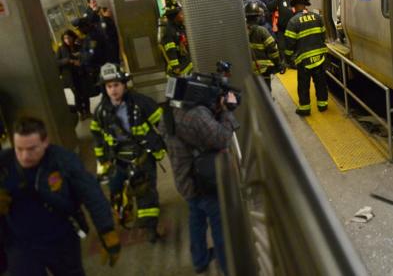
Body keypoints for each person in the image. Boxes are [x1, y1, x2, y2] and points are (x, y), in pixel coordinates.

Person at [0, 116, 120, 275]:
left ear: (45, 142)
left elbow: (92, 194)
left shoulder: (63, 160)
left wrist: (107, 231)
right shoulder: (4, 163)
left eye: (31, 149)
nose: (24, 156)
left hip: (61, 238)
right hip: (21, 242)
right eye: (19, 149)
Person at [159, 81, 239, 275]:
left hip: (184, 180)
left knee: (196, 219)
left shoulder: (168, 112)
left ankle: (200, 260)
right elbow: (222, 137)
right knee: (221, 228)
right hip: (204, 184)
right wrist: (227, 110)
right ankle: (228, 269)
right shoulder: (196, 115)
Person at [90, 63, 166, 243]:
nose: (113, 90)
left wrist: (163, 146)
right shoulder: (101, 111)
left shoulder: (141, 103)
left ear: (124, 85)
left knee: (145, 193)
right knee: (117, 194)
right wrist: (102, 161)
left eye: (116, 85)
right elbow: (97, 137)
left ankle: (150, 228)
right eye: (109, 86)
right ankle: (125, 216)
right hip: (116, 159)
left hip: (142, 155)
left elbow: (162, 123)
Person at [284, 0, 329, 115]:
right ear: (305, 5)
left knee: (304, 85)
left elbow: (289, 44)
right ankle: (322, 105)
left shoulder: (293, 22)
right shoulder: (317, 17)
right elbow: (323, 35)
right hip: (319, 57)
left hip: (304, 60)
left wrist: (287, 58)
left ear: (296, 6)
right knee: (320, 82)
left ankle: (305, 108)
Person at [244, 0, 283, 90]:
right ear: (258, 17)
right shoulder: (262, 30)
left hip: (248, 71)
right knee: (265, 93)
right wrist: (278, 64)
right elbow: (273, 49)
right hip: (263, 70)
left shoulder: (242, 31)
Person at [56, 30, 91, 120]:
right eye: (65, 38)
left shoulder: (78, 46)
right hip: (70, 75)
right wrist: (68, 60)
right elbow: (57, 62)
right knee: (77, 94)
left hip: (81, 73)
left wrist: (80, 58)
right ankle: (81, 112)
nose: (67, 40)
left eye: (69, 37)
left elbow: (86, 56)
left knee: (85, 92)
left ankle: (87, 111)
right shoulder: (61, 49)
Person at [72, 17, 108, 97]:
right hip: (98, 69)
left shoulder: (93, 37)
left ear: (85, 26)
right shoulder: (90, 35)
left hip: (98, 69)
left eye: (80, 29)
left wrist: (80, 57)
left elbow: (92, 53)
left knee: (105, 92)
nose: (79, 31)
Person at [160, 5, 193, 77]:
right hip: (179, 67)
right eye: (181, 14)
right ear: (174, 17)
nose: (183, 15)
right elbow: (170, 50)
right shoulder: (169, 31)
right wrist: (176, 67)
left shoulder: (180, 27)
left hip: (186, 62)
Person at [268, 0, 294, 64]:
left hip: (291, 27)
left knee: (291, 45)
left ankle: (291, 62)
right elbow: (270, 8)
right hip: (280, 27)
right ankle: (283, 64)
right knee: (281, 46)